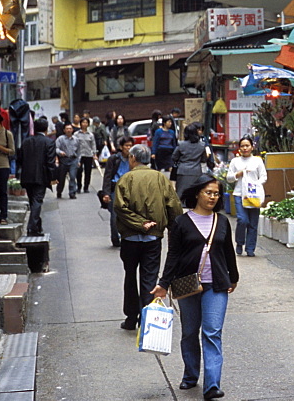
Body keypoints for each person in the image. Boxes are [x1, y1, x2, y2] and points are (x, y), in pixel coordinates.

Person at [152, 174, 238, 400]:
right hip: (186, 284)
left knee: (212, 332)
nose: (212, 197)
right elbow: (173, 256)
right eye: (208, 192)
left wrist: (233, 277)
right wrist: (163, 283)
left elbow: (228, 252)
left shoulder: (222, 221)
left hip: (217, 284)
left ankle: (212, 384)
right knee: (190, 332)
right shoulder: (181, 222)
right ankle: (190, 375)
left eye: (216, 193)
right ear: (198, 193)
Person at [114, 144, 183, 330]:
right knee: (149, 279)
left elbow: (120, 208)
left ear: (133, 159)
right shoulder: (161, 178)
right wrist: (173, 230)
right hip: (153, 239)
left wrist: (138, 223)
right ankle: (147, 319)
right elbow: (173, 206)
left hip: (130, 239)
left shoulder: (125, 179)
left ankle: (130, 318)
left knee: (130, 277)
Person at [17, 117, 57, 236]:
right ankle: (32, 228)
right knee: (37, 201)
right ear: (45, 129)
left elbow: (20, 159)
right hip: (41, 176)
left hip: (27, 176)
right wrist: (52, 178)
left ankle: (37, 226)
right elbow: (50, 162)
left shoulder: (26, 141)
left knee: (33, 201)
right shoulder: (49, 142)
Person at [227, 136, 266, 257]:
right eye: (242, 146)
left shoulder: (257, 161)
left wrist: (255, 185)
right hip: (239, 194)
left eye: (247, 145)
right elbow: (228, 178)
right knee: (242, 220)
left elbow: (263, 176)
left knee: (253, 223)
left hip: (254, 195)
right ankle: (239, 242)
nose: (245, 148)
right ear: (239, 148)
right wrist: (237, 175)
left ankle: (250, 249)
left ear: (252, 147)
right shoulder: (235, 161)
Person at [102, 137, 134, 247]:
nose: (128, 148)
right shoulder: (113, 159)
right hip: (116, 187)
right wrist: (106, 193)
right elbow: (107, 176)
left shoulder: (134, 159)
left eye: (130, 145)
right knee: (115, 214)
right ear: (121, 147)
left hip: (130, 188)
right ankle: (115, 238)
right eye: (126, 146)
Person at [173, 122, 216, 197]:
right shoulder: (202, 145)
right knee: (194, 191)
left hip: (182, 170)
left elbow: (174, 157)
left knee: (180, 191)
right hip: (196, 170)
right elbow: (204, 159)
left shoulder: (181, 144)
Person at [55, 124, 80, 199]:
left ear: (72, 130)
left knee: (72, 176)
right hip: (64, 160)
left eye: (70, 129)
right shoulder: (60, 139)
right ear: (64, 130)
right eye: (67, 129)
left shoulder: (76, 139)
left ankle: (72, 193)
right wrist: (60, 152)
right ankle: (59, 191)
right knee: (61, 178)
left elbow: (79, 151)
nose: (69, 130)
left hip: (73, 159)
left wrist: (79, 160)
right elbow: (56, 148)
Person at [74, 117, 97, 194]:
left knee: (88, 171)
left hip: (88, 155)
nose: (85, 124)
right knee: (78, 171)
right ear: (80, 124)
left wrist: (95, 154)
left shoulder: (90, 135)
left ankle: (86, 187)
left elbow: (93, 145)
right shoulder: (76, 134)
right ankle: (79, 186)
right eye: (83, 122)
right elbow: (74, 144)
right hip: (79, 155)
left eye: (86, 122)